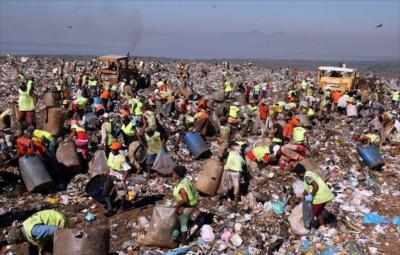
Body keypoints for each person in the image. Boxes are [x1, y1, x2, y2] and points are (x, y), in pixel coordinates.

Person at [103, 141, 131, 216]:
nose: (111, 150)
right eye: (111, 149)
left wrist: (123, 180)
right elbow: (109, 164)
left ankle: (122, 207)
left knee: (121, 194)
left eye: (113, 149)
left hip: (119, 178)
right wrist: (107, 171)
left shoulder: (122, 158)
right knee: (105, 192)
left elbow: (127, 170)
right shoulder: (110, 154)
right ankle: (110, 208)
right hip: (111, 175)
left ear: (117, 149)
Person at [172, 165, 199, 244]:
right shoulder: (185, 179)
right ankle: (175, 237)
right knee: (180, 220)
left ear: (178, 175)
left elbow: (184, 199)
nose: (172, 175)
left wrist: (176, 204)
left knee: (183, 222)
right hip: (190, 204)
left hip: (187, 205)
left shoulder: (181, 186)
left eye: (173, 174)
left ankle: (183, 242)